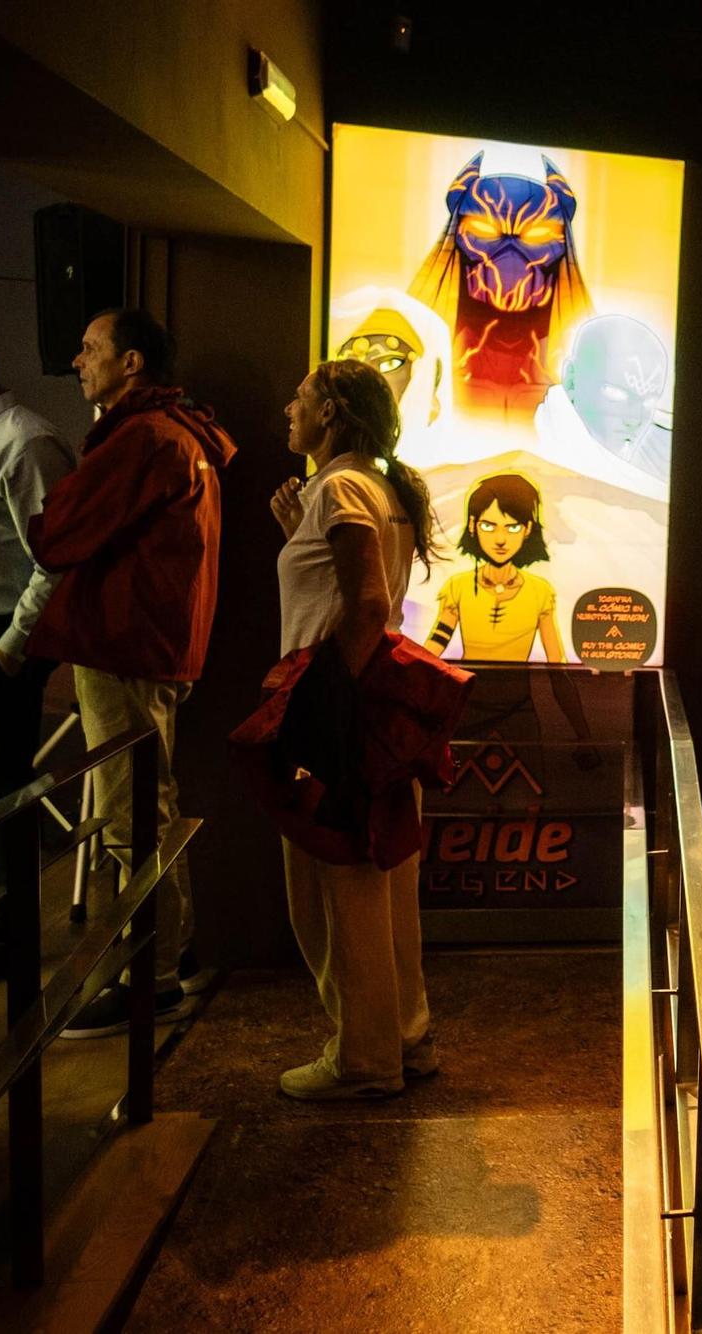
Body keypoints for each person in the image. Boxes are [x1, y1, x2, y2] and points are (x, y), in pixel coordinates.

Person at [35, 311, 234, 1037]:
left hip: (123, 646)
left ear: (132, 363)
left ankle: (148, 978)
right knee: (152, 807)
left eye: (90, 349)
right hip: (156, 647)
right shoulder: (184, 436)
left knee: (130, 820)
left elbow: (57, 532)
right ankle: (171, 961)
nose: (77, 359)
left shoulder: (143, 437)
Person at [268, 358, 443, 1099]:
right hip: (377, 707)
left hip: (336, 704)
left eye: (302, 397)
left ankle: (364, 1058)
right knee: (383, 876)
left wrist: (319, 703)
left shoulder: (340, 486)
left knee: (336, 885)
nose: (288, 406)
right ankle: (405, 1037)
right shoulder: (369, 486)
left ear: (333, 413)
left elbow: (367, 604)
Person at [0, 350, 77, 976]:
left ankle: (11, 942)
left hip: (2, 635)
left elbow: (57, 557)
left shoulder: (22, 440)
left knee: (3, 787)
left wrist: (12, 645)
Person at [424, 472, 564, 662]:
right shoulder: (457, 587)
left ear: (528, 529)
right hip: (469, 685)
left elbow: (556, 660)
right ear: (473, 525)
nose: (500, 540)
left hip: (519, 688)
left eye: (512, 528)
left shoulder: (541, 592)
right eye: (488, 527)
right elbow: (436, 644)